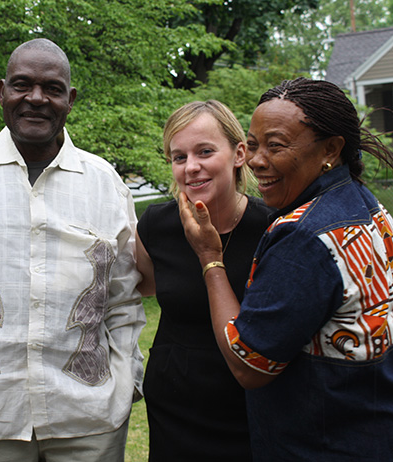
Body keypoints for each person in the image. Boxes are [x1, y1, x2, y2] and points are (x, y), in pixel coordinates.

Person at [0, 38, 145, 462]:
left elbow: (124, 302)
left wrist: (130, 380)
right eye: (22, 85)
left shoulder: (105, 183)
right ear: (2, 91)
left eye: (52, 88)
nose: (35, 98)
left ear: (70, 99)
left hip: (90, 421)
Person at [179, 77, 393, 460]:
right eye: (254, 144)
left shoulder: (304, 237)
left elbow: (249, 365)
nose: (258, 160)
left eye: (276, 146)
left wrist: (210, 257)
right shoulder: (366, 208)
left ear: (331, 148)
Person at [136, 100, 273, 461]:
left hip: (251, 407)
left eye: (205, 152)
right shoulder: (156, 226)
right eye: (179, 157)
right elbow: (144, 286)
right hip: (174, 408)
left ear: (239, 153)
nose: (191, 167)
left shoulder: (273, 229)